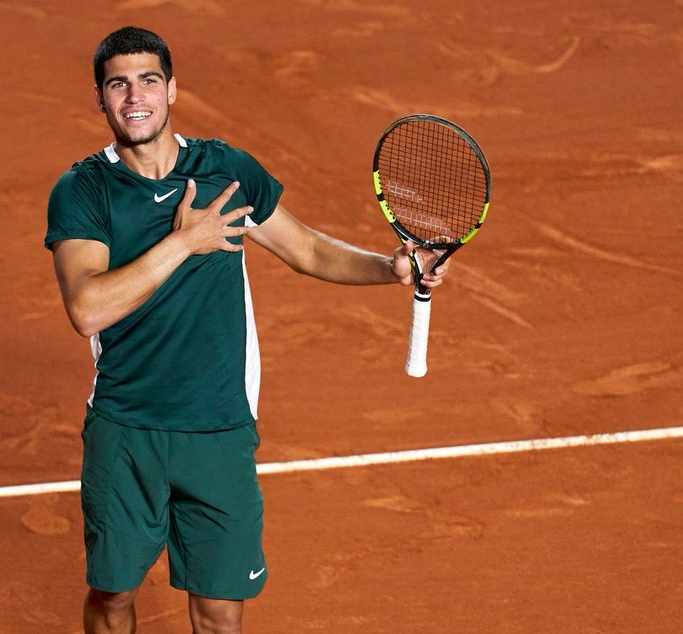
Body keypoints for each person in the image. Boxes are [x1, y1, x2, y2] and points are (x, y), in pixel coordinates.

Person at [44, 26, 448, 634]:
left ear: (172, 89)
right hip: (128, 428)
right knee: (114, 595)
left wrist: (387, 269)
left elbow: (306, 249)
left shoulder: (225, 171)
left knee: (219, 613)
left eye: (148, 80)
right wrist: (186, 242)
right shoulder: (84, 191)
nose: (135, 97)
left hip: (220, 428)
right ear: (99, 99)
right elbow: (88, 310)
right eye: (118, 84)